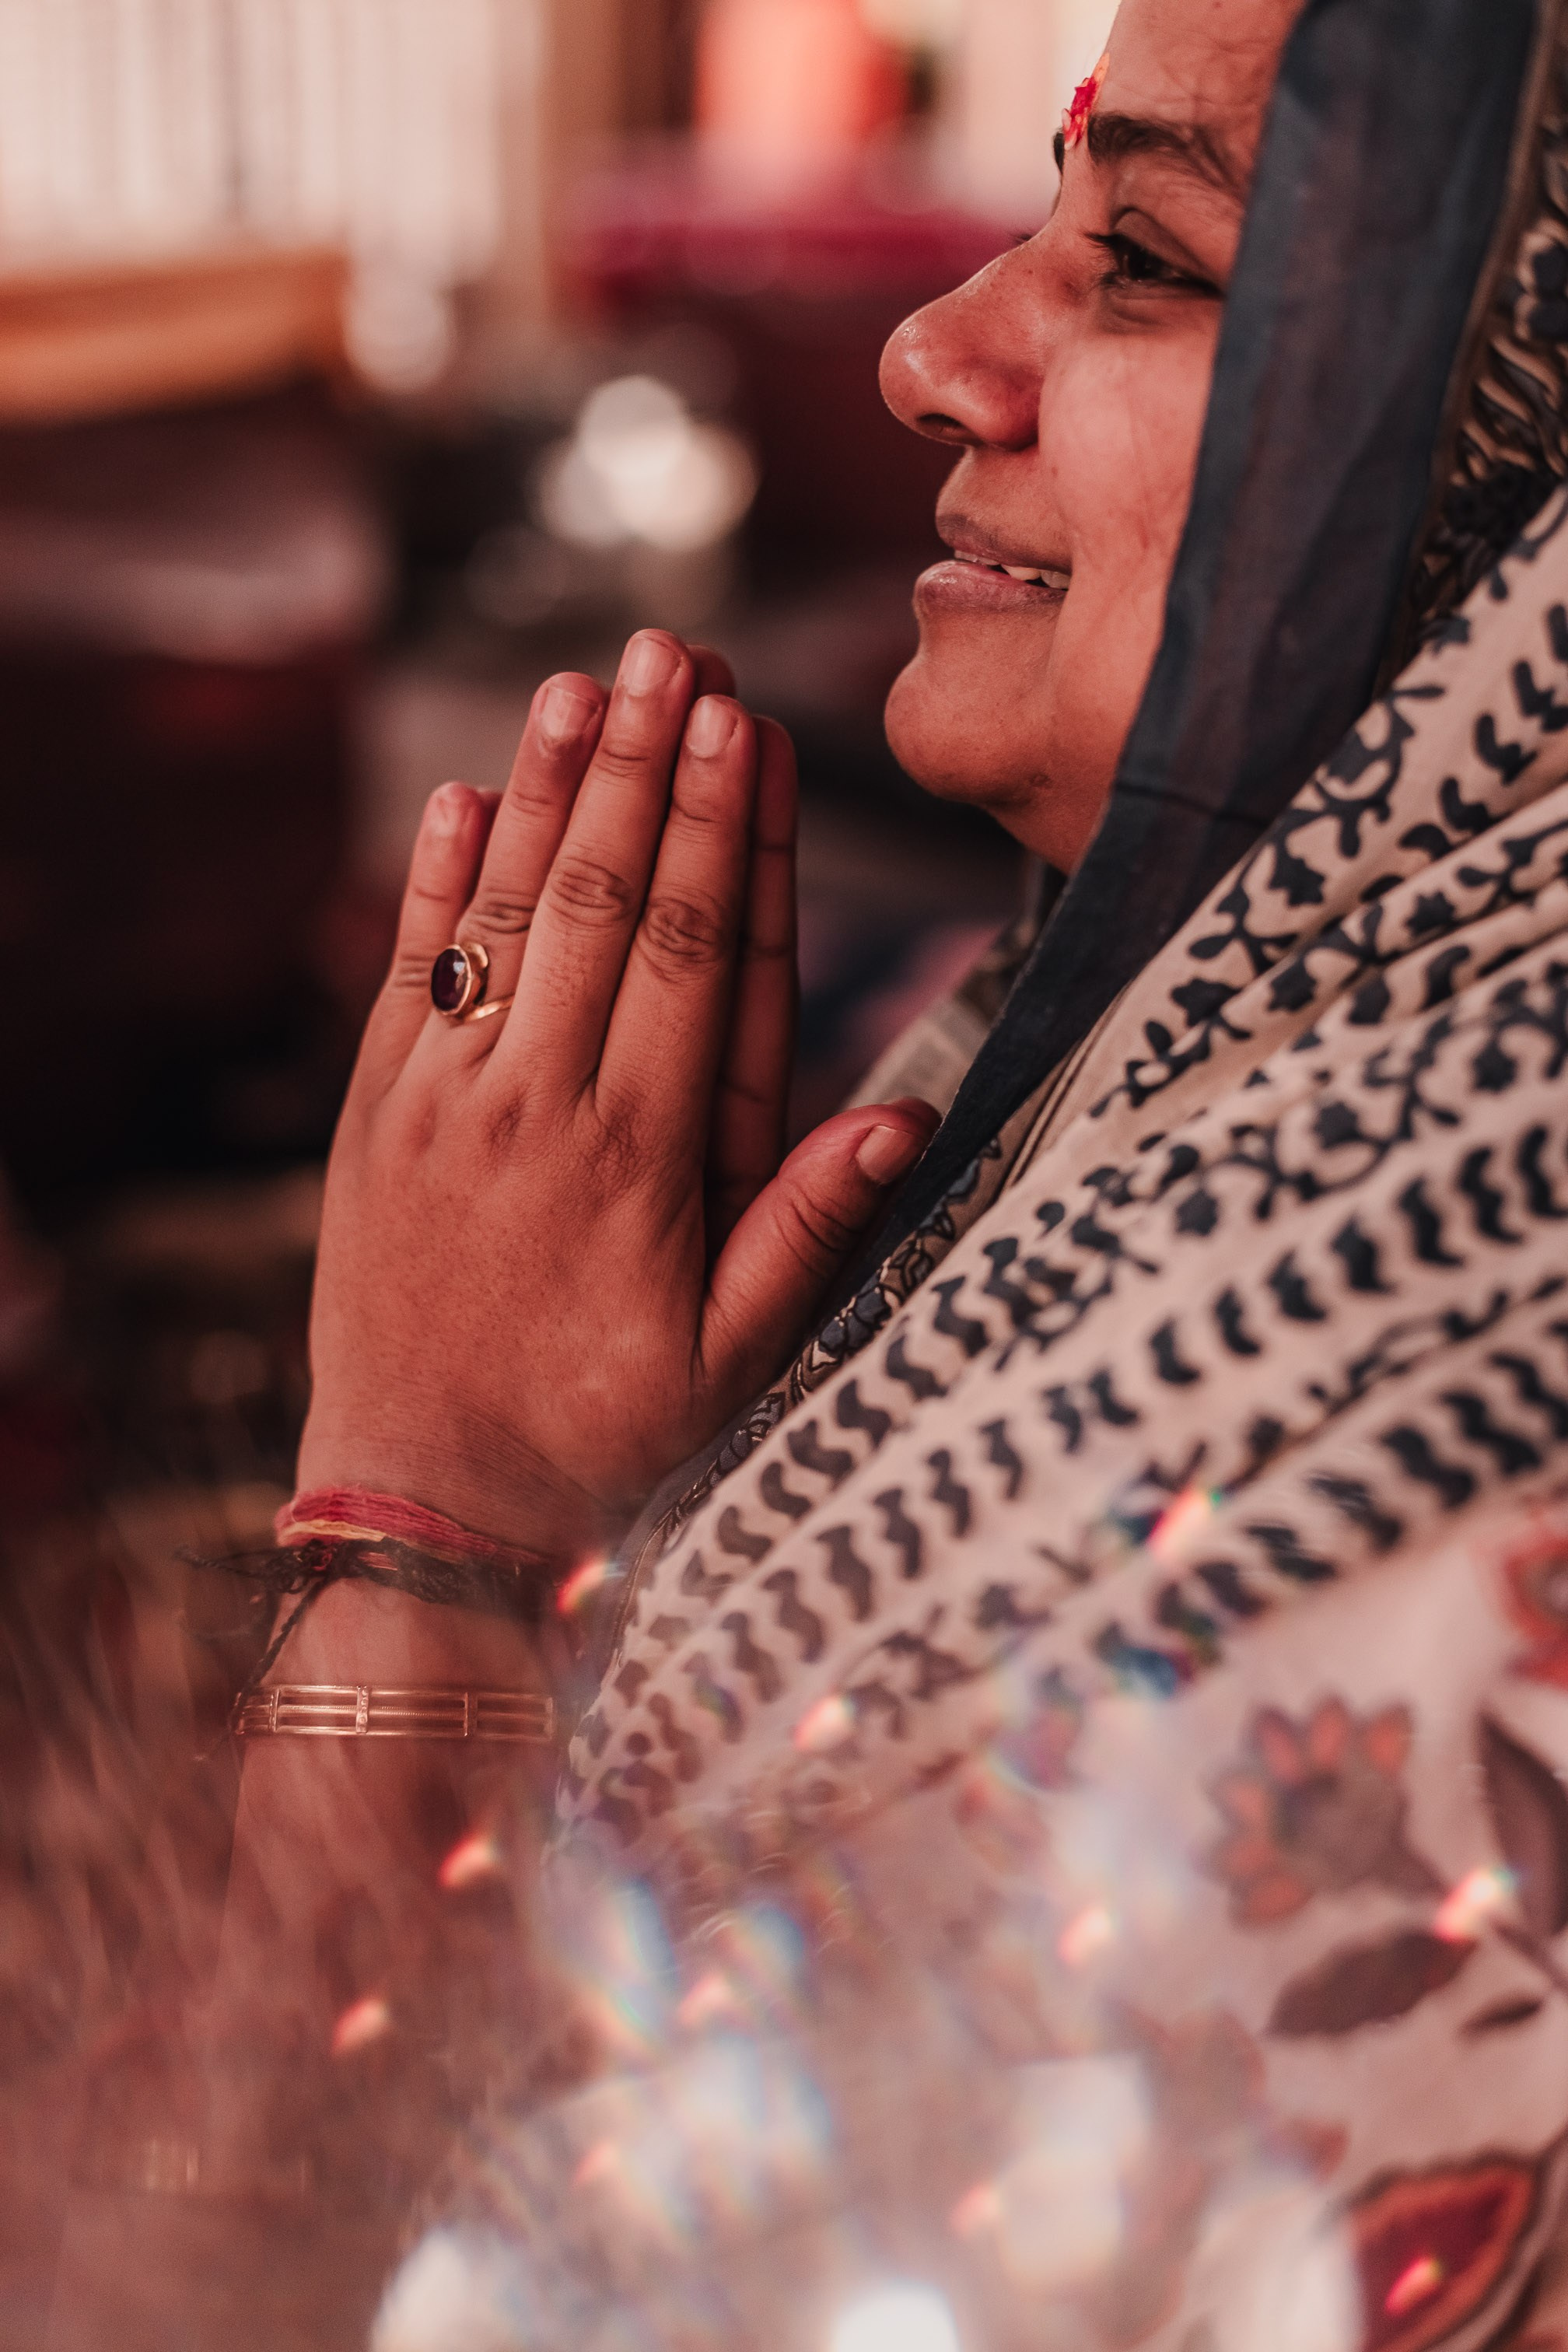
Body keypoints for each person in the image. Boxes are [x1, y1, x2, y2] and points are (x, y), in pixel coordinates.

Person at [80, 0, 1568, 2342]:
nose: (930, 349)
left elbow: (310, 2289)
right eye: (1043, 212)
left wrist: (423, 1532)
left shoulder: (1381, 1543)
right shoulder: (1194, 1090)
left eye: (1154, 260)